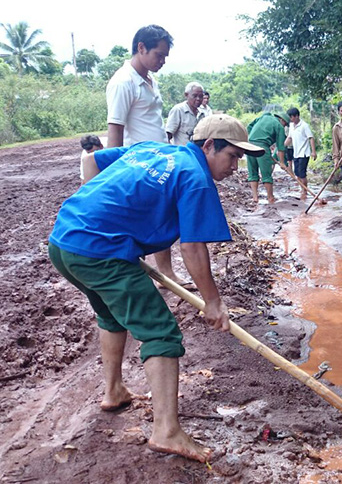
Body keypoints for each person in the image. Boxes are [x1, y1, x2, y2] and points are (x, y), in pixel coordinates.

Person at [49, 114, 265, 463]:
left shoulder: (153, 149)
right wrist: (213, 302)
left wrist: (98, 215)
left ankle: (114, 390)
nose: (235, 168)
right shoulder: (195, 178)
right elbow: (193, 248)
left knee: (112, 315)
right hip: (99, 251)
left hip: (64, 242)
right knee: (161, 334)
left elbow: (92, 161)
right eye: (233, 157)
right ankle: (167, 431)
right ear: (208, 146)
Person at [105, 24, 186, 288]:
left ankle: (166, 273)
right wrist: (113, 172)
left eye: (164, 57)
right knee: (139, 219)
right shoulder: (123, 82)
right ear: (141, 48)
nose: (162, 61)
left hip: (157, 159)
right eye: (159, 55)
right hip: (137, 165)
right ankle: (139, 275)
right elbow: (115, 128)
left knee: (162, 215)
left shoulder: (150, 80)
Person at [246, 111, 289, 204]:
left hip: (249, 145)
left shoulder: (263, 117)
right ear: (282, 120)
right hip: (262, 147)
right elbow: (281, 147)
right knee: (266, 174)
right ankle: (270, 198)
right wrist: (281, 163)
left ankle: (255, 198)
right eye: (285, 124)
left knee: (253, 173)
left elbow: (249, 126)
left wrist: (253, 137)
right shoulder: (279, 126)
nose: (285, 126)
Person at [286, 107, 316, 201]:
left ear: (297, 116)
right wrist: (282, 146)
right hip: (296, 153)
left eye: (292, 117)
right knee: (297, 173)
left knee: (302, 173)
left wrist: (313, 152)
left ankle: (305, 191)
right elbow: (289, 138)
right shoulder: (291, 126)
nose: (291, 119)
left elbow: (311, 138)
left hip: (304, 153)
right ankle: (302, 188)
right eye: (290, 117)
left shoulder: (304, 125)